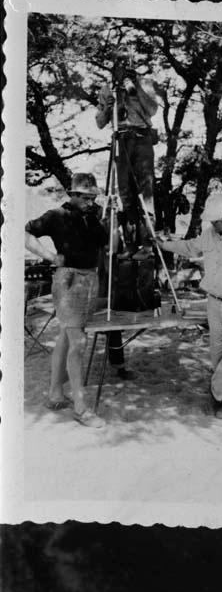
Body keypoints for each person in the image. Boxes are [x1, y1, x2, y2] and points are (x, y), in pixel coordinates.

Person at [156, 193, 222, 416]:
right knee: (217, 353)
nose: (217, 224)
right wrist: (164, 245)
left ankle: (215, 391)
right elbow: (189, 247)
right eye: (213, 220)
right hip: (214, 302)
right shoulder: (208, 235)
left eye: (220, 219)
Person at [25, 173, 108, 428]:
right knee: (79, 342)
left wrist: (111, 221)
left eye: (93, 197)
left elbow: (108, 245)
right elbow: (24, 232)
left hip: (90, 281)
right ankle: (81, 408)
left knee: (66, 337)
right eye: (86, 197)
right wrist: (50, 256)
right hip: (69, 280)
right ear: (73, 194)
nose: (91, 201)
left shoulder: (93, 218)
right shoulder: (55, 216)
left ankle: (55, 394)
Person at [95, 45, 159, 255]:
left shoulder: (145, 83)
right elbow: (100, 122)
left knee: (145, 191)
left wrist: (135, 88)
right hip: (121, 139)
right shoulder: (107, 89)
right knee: (125, 194)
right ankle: (131, 243)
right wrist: (107, 107)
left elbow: (152, 110)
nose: (122, 67)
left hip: (141, 139)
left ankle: (148, 244)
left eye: (127, 62)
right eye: (119, 63)